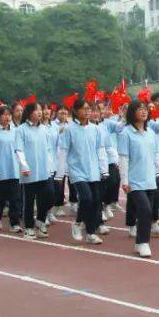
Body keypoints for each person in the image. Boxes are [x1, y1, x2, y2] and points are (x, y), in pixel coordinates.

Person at [55, 98, 108, 245]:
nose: (87, 111)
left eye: (88, 108)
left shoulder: (95, 129)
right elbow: (63, 152)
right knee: (86, 198)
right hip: (77, 170)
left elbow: (100, 149)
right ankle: (78, 223)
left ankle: (90, 233)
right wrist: (60, 174)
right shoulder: (69, 129)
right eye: (84, 108)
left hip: (93, 170)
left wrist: (104, 170)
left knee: (95, 202)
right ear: (76, 111)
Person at [118, 99, 159, 258]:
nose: (144, 111)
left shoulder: (151, 133)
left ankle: (139, 242)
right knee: (144, 210)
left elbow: (156, 155)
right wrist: (124, 181)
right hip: (134, 181)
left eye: (145, 109)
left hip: (150, 180)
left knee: (150, 212)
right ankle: (144, 243)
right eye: (139, 109)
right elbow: (123, 158)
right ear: (132, 113)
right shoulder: (126, 133)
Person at [16, 102, 56, 238]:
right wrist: (24, 166)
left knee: (49, 195)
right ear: (29, 112)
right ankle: (28, 227)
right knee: (29, 200)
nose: (40, 112)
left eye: (41, 110)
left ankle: (40, 220)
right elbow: (19, 150)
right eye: (37, 110)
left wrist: (51, 167)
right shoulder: (21, 130)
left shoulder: (45, 129)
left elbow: (49, 150)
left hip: (44, 171)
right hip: (29, 171)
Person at [0, 106, 25, 230]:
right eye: (4, 115)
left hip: (14, 169)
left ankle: (14, 223)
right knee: (1, 198)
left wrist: (23, 165)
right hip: (0, 170)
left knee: (16, 198)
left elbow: (19, 149)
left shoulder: (15, 131)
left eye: (9, 115)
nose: (7, 117)